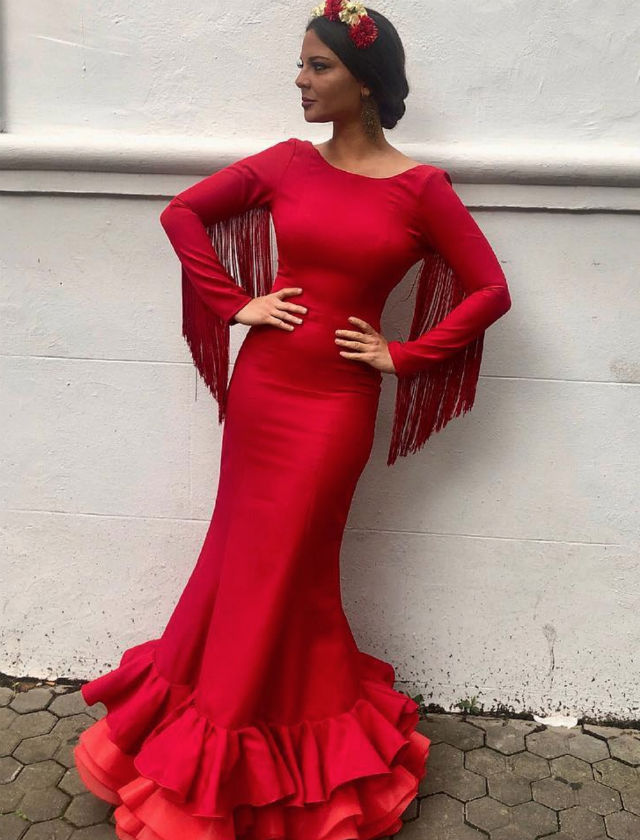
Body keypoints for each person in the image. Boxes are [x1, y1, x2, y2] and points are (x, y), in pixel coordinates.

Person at [73, 4, 512, 840]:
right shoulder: (285, 163)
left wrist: (404, 355)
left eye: (318, 66)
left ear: (366, 82)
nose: (301, 81)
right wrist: (236, 303)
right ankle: (216, 751)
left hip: (337, 406)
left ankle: (271, 755)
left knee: (292, 571)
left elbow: (490, 289)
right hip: (266, 392)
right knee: (240, 561)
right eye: (302, 65)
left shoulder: (421, 190)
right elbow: (182, 214)